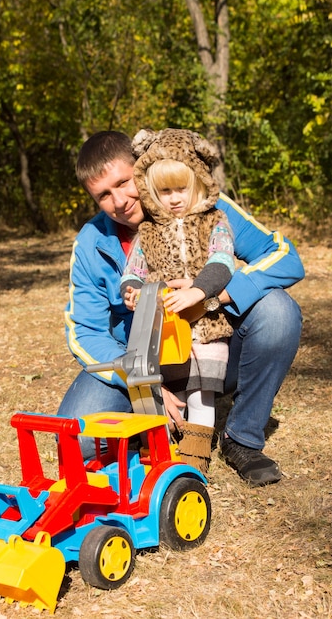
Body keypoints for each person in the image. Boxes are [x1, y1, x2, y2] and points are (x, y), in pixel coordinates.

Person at [59, 130, 304, 487]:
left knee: (278, 312)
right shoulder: (91, 243)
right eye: (103, 196)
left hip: (214, 347)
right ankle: (150, 433)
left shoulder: (207, 207)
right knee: (79, 439)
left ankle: (242, 438)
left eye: (124, 182)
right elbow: (86, 333)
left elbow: (286, 258)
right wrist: (143, 385)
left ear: (142, 169)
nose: (119, 201)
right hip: (142, 362)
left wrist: (213, 296)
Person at [119, 128, 236, 473]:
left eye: (181, 188)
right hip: (166, 329)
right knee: (170, 389)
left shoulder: (214, 222)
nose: (173, 199)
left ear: (198, 183)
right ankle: (156, 455)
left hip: (208, 326)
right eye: (164, 191)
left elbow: (222, 260)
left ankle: (195, 460)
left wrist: (198, 291)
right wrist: (132, 291)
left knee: (204, 393)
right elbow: (134, 269)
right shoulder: (148, 231)